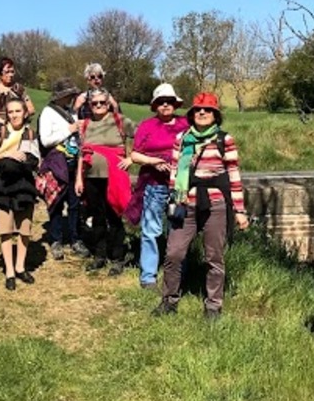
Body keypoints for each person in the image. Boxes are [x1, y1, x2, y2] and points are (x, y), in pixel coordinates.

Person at [153, 92, 250, 321]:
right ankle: (169, 300)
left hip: (215, 205)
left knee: (214, 257)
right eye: (198, 109)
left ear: (216, 115)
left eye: (208, 110)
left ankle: (213, 305)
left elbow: (234, 175)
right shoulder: (182, 139)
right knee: (174, 253)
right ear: (192, 114)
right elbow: (175, 172)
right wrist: (174, 199)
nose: (202, 112)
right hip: (185, 204)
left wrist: (239, 210)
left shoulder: (224, 140)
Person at [126, 83, 189, 289]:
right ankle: (148, 277)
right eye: (161, 102)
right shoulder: (147, 126)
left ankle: (177, 276)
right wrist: (154, 162)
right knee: (151, 230)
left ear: (175, 104)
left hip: (180, 186)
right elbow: (135, 155)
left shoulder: (185, 124)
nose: (165, 105)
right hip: (154, 184)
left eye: (169, 101)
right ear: (155, 105)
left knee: (178, 231)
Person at [75, 87, 133, 275]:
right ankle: (99, 255)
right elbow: (82, 153)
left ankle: (117, 257)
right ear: (89, 105)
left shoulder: (120, 121)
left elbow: (141, 137)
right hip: (91, 177)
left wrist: (131, 158)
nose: (99, 105)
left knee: (114, 216)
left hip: (114, 177)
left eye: (102, 102)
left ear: (109, 104)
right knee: (97, 216)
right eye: (95, 103)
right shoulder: (86, 124)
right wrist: (78, 178)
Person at [0, 98, 40, 289]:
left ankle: (20, 267)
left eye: (18, 111)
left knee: (24, 229)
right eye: (11, 112)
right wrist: (7, 155)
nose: (14, 115)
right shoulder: (0, 132)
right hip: (2, 184)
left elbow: (37, 159)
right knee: (5, 229)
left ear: (25, 113)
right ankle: (9, 271)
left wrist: (27, 159)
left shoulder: (30, 133)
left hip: (24, 185)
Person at [38, 78, 88, 260]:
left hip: (73, 162)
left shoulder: (71, 112)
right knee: (56, 203)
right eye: (68, 94)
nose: (71, 97)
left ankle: (75, 238)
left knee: (75, 204)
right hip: (57, 163)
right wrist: (69, 129)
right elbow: (45, 140)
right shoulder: (48, 113)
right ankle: (56, 239)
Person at [0, 56, 36, 126]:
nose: (10, 75)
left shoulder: (19, 89)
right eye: (7, 72)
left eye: (12, 72)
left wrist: (19, 118)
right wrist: (3, 122)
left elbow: (31, 109)